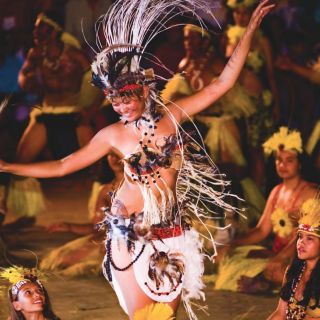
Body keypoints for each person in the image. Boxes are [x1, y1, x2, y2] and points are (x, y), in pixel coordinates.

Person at [0, 0, 274, 318]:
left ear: (143, 91)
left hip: (173, 233)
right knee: (142, 316)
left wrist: (249, 31)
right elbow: (64, 165)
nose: (121, 107)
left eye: (126, 99)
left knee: (164, 315)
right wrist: (8, 166)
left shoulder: (170, 118)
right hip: (128, 233)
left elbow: (222, 84)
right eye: (114, 102)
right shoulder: (112, 135)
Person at [1, 11, 103, 228]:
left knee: (96, 163)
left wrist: (90, 110)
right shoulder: (35, 54)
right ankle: (25, 212)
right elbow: (24, 83)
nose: (37, 32)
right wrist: (30, 72)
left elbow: (98, 83)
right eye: (36, 28)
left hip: (74, 112)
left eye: (42, 27)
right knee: (21, 160)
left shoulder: (75, 55)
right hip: (47, 113)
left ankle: (99, 215)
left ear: (56, 30)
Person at [214, 127, 317, 292]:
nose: (282, 165)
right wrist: (231, 244)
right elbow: (261, 231)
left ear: (300, 164)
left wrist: (281, 257)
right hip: (277, 252)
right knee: (232, 257)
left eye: (289, 160)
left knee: (282, 271)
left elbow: (308, 235)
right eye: (278, 159)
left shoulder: (311, 193)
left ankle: (272, 278)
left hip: (299, 254)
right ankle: (267, 278)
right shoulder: (276, 191)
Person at [40, 152, 123, 277]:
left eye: (118, 154)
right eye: (111, 154)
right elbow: (98, 228)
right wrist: (70, 227)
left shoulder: (144, 188)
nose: (115, 158)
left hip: (128, 243)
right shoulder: (104, 191)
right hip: (104, 240)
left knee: (78, 266)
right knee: (59, 260)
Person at [225, 0, 279, 188]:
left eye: (244, 13)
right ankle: (250, 196)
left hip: (259, 103)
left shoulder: (263, 41)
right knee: (244, 152)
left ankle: (262, 191)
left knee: (262, 151)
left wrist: (277, 103)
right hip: (237, 106)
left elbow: (271, 74)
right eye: (237, 13)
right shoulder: (229, 41)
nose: (240, 17)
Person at [267, 198, 320, 320]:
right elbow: (280, 314)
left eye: (310, 238)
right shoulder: (293, 271)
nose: (301, 242)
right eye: (300, 236)